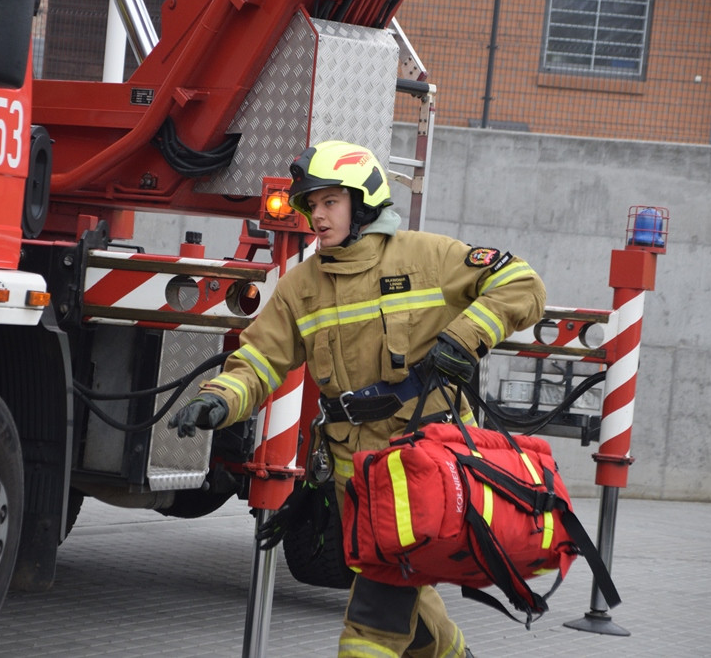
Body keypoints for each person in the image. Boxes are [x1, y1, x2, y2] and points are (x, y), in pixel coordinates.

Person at [170, 140, 546, 658]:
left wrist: (465, 337)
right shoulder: (301, 286)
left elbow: (520, 282)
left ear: (363, 201)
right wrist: (220, 398)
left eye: (330, 202)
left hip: (426, 465)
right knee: (405, 598)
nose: (317, 216)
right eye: (311, 205)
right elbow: (260, 359)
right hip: (356, 478)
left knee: (375, 615)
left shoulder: (426, 257)